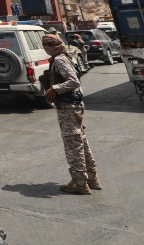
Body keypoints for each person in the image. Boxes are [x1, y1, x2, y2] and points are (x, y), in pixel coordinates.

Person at [42, 34, 100, 194]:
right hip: (72, 106)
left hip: (68, 107)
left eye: (50, 44)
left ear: (58, 44)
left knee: (72, 143)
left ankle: (79, 181)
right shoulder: (60, 58)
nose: (47, 47)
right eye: (45, 44)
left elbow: (74, 81)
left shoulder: (60, 59)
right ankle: (92, 177)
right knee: (80, 140)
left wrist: (55, 88)